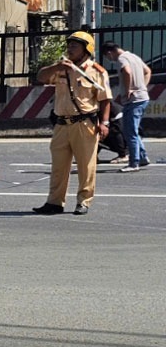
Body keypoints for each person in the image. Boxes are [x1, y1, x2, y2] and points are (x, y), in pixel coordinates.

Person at [34, 31, 111, 216]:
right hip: (61, 124)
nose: (70, 49)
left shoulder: (96, 71)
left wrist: (105, 122)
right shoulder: (61, 68)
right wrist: (56, 66)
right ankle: (54, 202)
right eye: (69, 45)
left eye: (74, 46)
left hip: (84, 123)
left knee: (86, 166)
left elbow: (105, 98)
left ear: (86, 50)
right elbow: (41, 77)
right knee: (59, 166)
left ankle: (83, 201)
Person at [100, 41, 151, 172]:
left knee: (129, 132)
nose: (109, 59)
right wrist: (142, 87)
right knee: (133, 130)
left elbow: (127, 72)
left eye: (107, 57)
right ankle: (142, 157)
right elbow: (147, 71)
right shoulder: (133, 56)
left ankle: (134, 163)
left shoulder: (121, 59)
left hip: (133, 101)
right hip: (142, 98)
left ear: (109, 52)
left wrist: (128, 90)